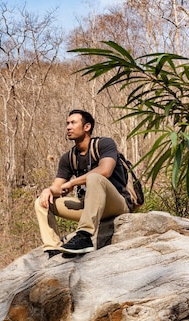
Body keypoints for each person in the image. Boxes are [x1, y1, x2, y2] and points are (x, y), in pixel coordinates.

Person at [35, 109, 132, 257]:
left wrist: (73, 183)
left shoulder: (104, 144)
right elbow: (58, 187)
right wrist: (48, 190)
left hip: (116, 204)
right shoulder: (68, 158)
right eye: (67, 123)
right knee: (41, 201)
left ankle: (85, 236)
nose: (68, 127)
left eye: (73, 123)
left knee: (94, 177)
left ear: (87, 127)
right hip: (90, 206)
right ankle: (53, 247)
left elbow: (105, 171)